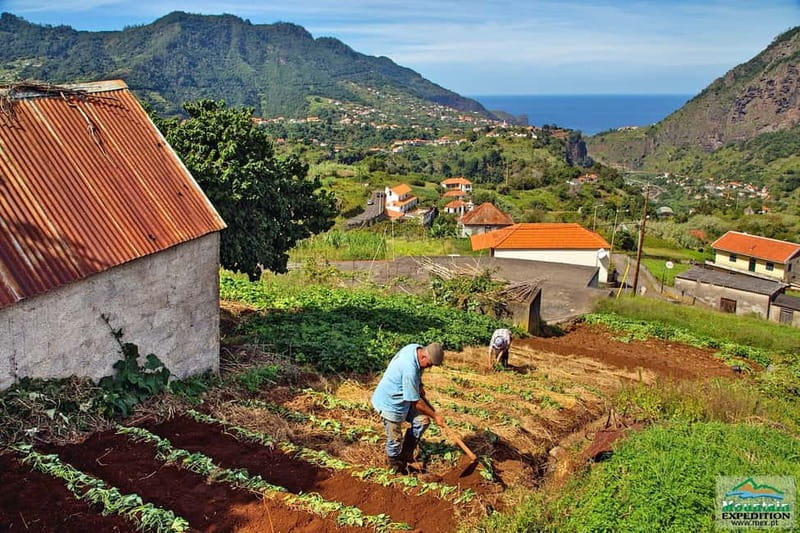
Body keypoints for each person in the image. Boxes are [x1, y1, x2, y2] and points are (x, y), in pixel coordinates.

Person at [371, 342, 445, 473]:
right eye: (429, 364)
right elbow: (416, 402)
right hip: (390, 402)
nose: (428, 368)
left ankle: (406, 455)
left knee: (422, 421)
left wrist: (419, 385)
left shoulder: (415, 348)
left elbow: (418, 372)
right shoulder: (409, 369)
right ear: (423, 357)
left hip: (403, 398)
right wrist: (435, 416)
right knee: (395, 439)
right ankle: (395, 466)